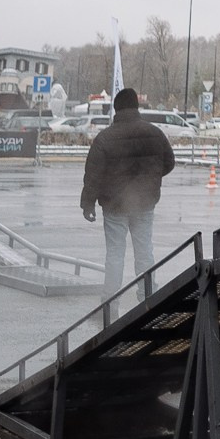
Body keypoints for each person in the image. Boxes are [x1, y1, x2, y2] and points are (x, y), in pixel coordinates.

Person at [81, 87, 174, 291]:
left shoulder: (105, 138)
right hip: (144, 203)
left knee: (115, 254)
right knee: (145, 253)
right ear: (136, 106)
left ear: (116, 109)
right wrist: (150, 179)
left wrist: (88, 203)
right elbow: (169, 162)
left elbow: (94, 174)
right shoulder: (154, 133)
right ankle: (148, 297)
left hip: (114, 205)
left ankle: (110, 300)